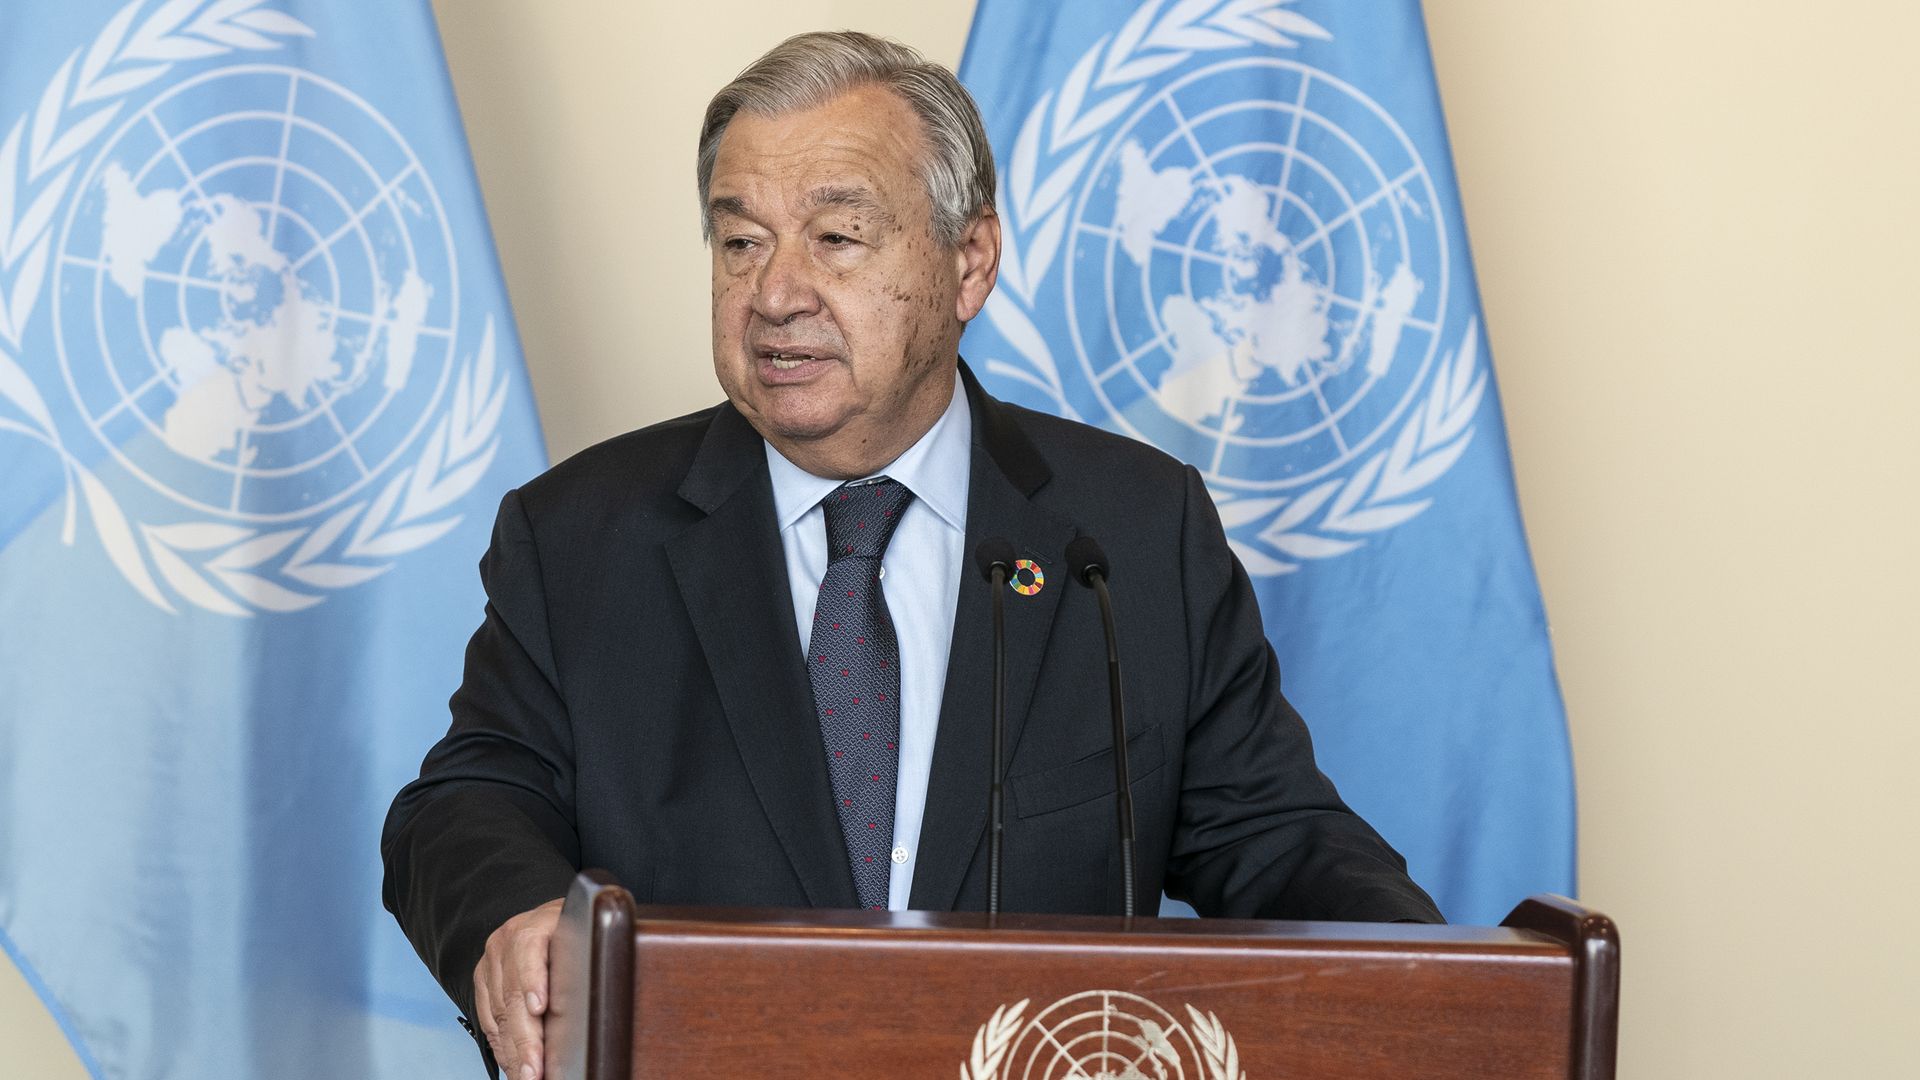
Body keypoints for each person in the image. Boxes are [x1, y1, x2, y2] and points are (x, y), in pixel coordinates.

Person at [381, 29, 1442, 1080]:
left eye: (837, 238)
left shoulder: (1129, 533)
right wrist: (513, 917)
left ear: (968, 262)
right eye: (740, 241)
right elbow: (465, 806)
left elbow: (1276, 836)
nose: (776, 294)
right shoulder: (581, 535)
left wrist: (1447, 989)